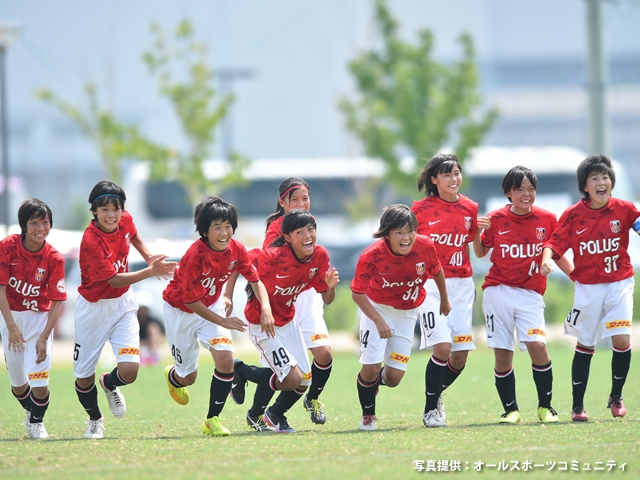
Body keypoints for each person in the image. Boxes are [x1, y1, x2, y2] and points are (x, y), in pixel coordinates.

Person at [161, 195, 273, 437]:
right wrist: (223, 321)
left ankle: (212, 420)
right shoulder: (195, 255)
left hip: (211, 307)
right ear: (204, 231)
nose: (224, 232)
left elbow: (255, 280)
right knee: (188, 377)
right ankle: (173, 376)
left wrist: (266, 307)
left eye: (228, 226)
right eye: (217, 227)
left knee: (224, 360)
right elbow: (190, 300)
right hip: (181, 311)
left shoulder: (237, 249)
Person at [73, 180, 177, 439]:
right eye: (104, 209)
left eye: (116, 209)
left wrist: (149, 254)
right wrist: (150, 271)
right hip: (93, 309)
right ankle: (95, 419)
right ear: (94, 211)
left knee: (130, 371)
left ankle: (109, 383)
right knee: (83, 377)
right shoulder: (90, 240)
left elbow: (133, 234)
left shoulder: (125, 219)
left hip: (122, 305)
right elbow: (114, 279)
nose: (111, 214)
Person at [541, 154, 640, 422]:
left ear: (611, 182)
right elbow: (554, 242)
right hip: (587, 288)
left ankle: (616, 396)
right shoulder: (573, 215)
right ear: (585, 186)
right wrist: (547, 259)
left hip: (619, 283)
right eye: (594, 178)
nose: (601, 182)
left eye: (605, 177)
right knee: (586, 344)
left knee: (621, 340)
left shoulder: (625, 209)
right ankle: (577, 406)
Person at [474, 166, 572, 424]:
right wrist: (475, 232)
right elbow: (481, 252)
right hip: (498, 291)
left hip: (530, 294)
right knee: (503, 353)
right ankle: (511, 410)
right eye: (520, 189)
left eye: (531, 189)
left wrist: (577, 277)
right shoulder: (496, 218)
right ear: (509, 192)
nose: (526, 194)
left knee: (537, 346)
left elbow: (557, 251)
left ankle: (545, 407)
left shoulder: (548, 219)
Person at [229, 209, 339, 433]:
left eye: (311, 229)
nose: (308, 235)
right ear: (287, 237)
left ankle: (271, 413)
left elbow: (326, 298)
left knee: (304, 381)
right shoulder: (271, 256)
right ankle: (239, 370)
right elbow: (238, 261)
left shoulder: (319, 256)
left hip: (288, 321)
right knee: (291, 379)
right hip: (262, 323)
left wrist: (330, 287)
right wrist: (227, 295)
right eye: (300, 232)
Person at [351, 204, 450, 431]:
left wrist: (445, 299)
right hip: (377, 310)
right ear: (387, 234)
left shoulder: (426, 246)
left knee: (394, 378)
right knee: (370, 368)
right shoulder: (371, 256)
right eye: (399, 233)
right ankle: (368, 415)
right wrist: (378, 320)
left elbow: (437, 271)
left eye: (410, 231)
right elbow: (357, 293)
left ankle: (372, 383)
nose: (406, 238)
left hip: (407, 313)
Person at [410, 153, 478, 427]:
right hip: (430, 285)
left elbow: (477, 247)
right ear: (434, 179)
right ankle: (430, 412)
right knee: (442, 347)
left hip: (462, 285)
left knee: (459, 357)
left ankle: (435, 394)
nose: (454, 178)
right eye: (447, 174)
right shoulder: (418, 210)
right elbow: (404, 244)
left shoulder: (471, 208)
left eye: (457, 172)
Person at [0, 198, 66, 439]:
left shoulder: (55, 258)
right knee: (18, 384)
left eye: (45, 222)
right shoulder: (7, 246)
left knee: (39, 383)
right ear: (24, 226)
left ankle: (37, 422)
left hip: (39, 320)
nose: (41, 228)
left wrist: (44, 336)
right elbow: (1, 289)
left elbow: (58, 300)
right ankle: (32, 413)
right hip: (11, 317)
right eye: (35, 222)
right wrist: (11, 327)